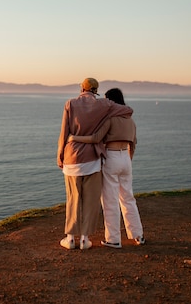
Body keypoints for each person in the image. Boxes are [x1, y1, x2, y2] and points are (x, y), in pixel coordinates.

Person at [57, 78, 134, 250]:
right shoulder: (104, 105)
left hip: (71, 158)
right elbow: (128, 110)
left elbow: (64, 133)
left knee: (73, 199)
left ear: (82, 88)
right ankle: (85, 239)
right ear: (96, 90)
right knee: (91, 200)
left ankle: (70, 238)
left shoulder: (70, 103)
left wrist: (60, 155)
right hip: (92, 159)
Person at [69, 88, 145, 247]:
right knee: (128, 198)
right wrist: (127, 159)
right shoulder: (130, 120)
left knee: (110, 200)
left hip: (112, 156)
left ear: (111, 101)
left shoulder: (110, 119)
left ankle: (113, 239)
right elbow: (134, 143)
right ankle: (138, 235)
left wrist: (74, 137)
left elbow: (96, 138)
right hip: (126, 158)